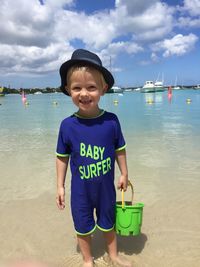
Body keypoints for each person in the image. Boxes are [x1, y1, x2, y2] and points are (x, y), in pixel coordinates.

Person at [56, 49, 132, 267]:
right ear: (68, 90)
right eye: (77, 88)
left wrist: (125, 173)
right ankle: (88, 260)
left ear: (103, 89)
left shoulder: (111, 121)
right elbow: (62, 157)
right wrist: (60, 186)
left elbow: (120, 149)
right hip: (81, 189)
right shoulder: (67, 125)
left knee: (109, 222)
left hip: (106, 187)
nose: (84, 93)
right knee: (82, 225)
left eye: (91, 87)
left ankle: (114, 255)